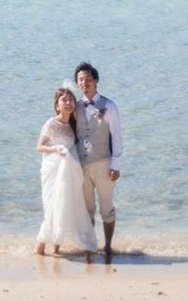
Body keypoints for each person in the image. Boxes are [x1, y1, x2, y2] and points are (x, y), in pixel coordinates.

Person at [35, 85, 98, 258]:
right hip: (52, 170)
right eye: (64, 100)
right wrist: (56, 150)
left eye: (71, 100)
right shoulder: (51, 123)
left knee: (63, 207)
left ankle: (55, 249)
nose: (68, 103)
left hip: (68, 172)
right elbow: (39, 147)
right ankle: (40, 249)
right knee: (51, 208)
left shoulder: (73, 125)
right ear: (57, 105)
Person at [73, 62, 122, 258]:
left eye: (88, 79)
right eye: (81, 80)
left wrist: (116, 165)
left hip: (104, 163)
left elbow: (116, 137)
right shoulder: (75, 107)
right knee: (87, 210)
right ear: (77, 83)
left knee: (107, 209)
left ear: (96, 81)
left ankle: (108, 247)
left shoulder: (109, 106)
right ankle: (90, 246)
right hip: (82, 166)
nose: (84, 83)